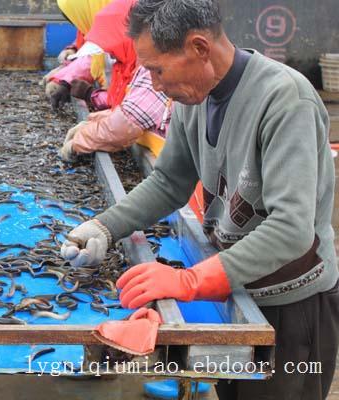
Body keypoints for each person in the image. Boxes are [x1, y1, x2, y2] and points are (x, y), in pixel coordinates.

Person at [61, 0, 339, 399]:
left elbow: (291, 230)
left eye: (158, 69)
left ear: (199, 48)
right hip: (235, 293)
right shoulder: (195, 99)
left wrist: (188, 281)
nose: (154, 84)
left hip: (292, 307)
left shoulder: (284, 100)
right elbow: (169, 182)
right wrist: (105, 226)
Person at [58, 66, 171, 161]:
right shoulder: (147, 64)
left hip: (169, 164)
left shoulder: (155, 69)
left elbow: (124, 124)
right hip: (159, 156)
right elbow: (127, 109)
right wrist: (92, 122)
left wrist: (78, 142)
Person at [47, 0, 137, 111]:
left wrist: (91, 94)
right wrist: (65, 81)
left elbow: (133, 107)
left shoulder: (127, 39)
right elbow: (92, 58)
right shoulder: (109, 26)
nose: (78, 26)